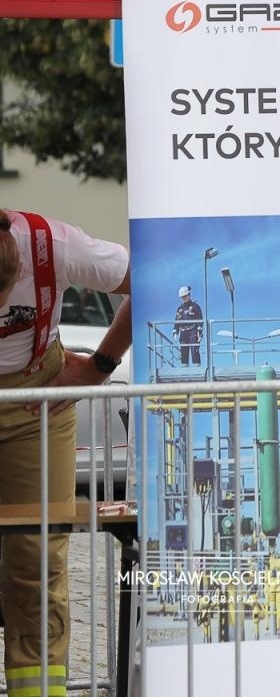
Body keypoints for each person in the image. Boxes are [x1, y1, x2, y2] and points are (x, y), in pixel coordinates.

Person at [0, 209, 131, 697]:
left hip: (39, 404)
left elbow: (153, 276)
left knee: (35, 563)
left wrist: (98, 367)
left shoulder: (51, 244)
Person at [174, 285, 203, 366]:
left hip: (193, 331)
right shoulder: (180, 308)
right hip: (183, 332)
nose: (184, 298)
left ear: (189, 295)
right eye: (182, 297)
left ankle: (197, 369)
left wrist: (199, 332)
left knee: (195, 350)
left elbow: (200, 320)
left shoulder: (195, 307)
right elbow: (177, 321)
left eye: (185, 296)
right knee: (183, 351)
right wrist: (175, 332)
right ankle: (184, 369)